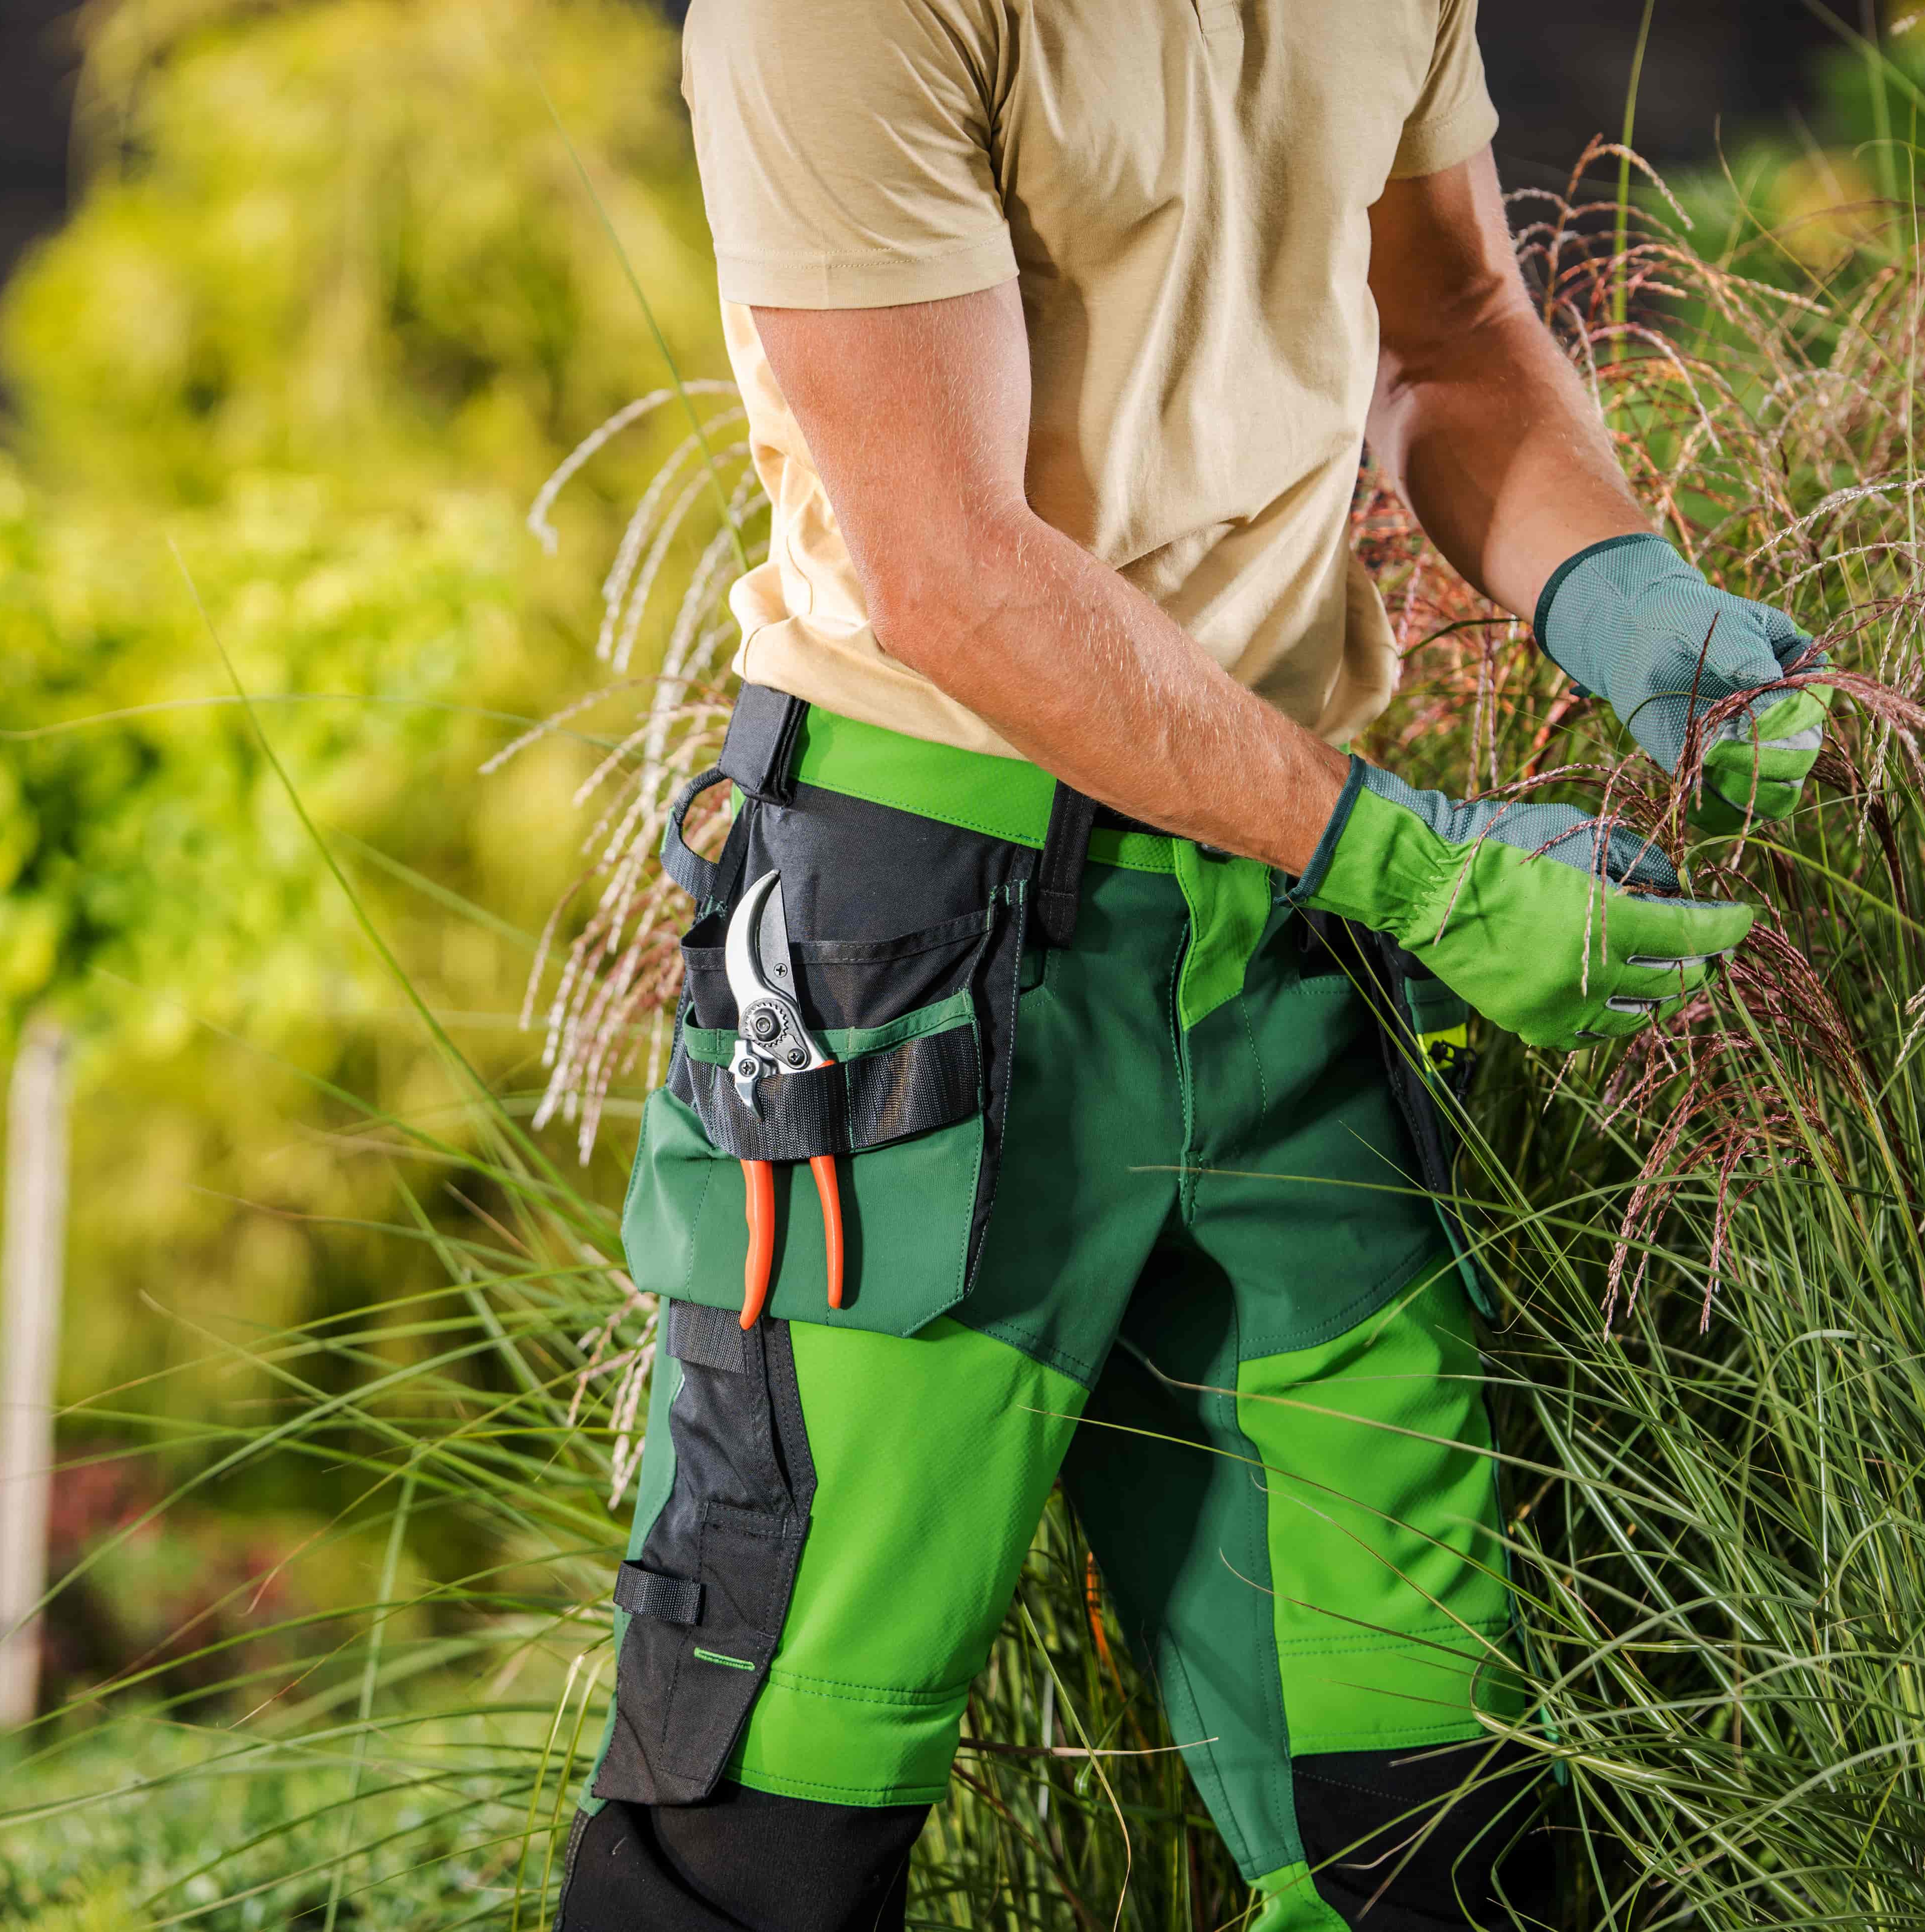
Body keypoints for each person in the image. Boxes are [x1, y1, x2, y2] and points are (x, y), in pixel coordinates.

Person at [557, 3, 1828, 1929]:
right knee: (767, 1819)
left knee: (1431, 1817)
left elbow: (1451, 328)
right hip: (920, 960)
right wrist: (1416, 866)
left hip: (1280, 922)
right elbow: (950, 566)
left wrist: (1625, 595)